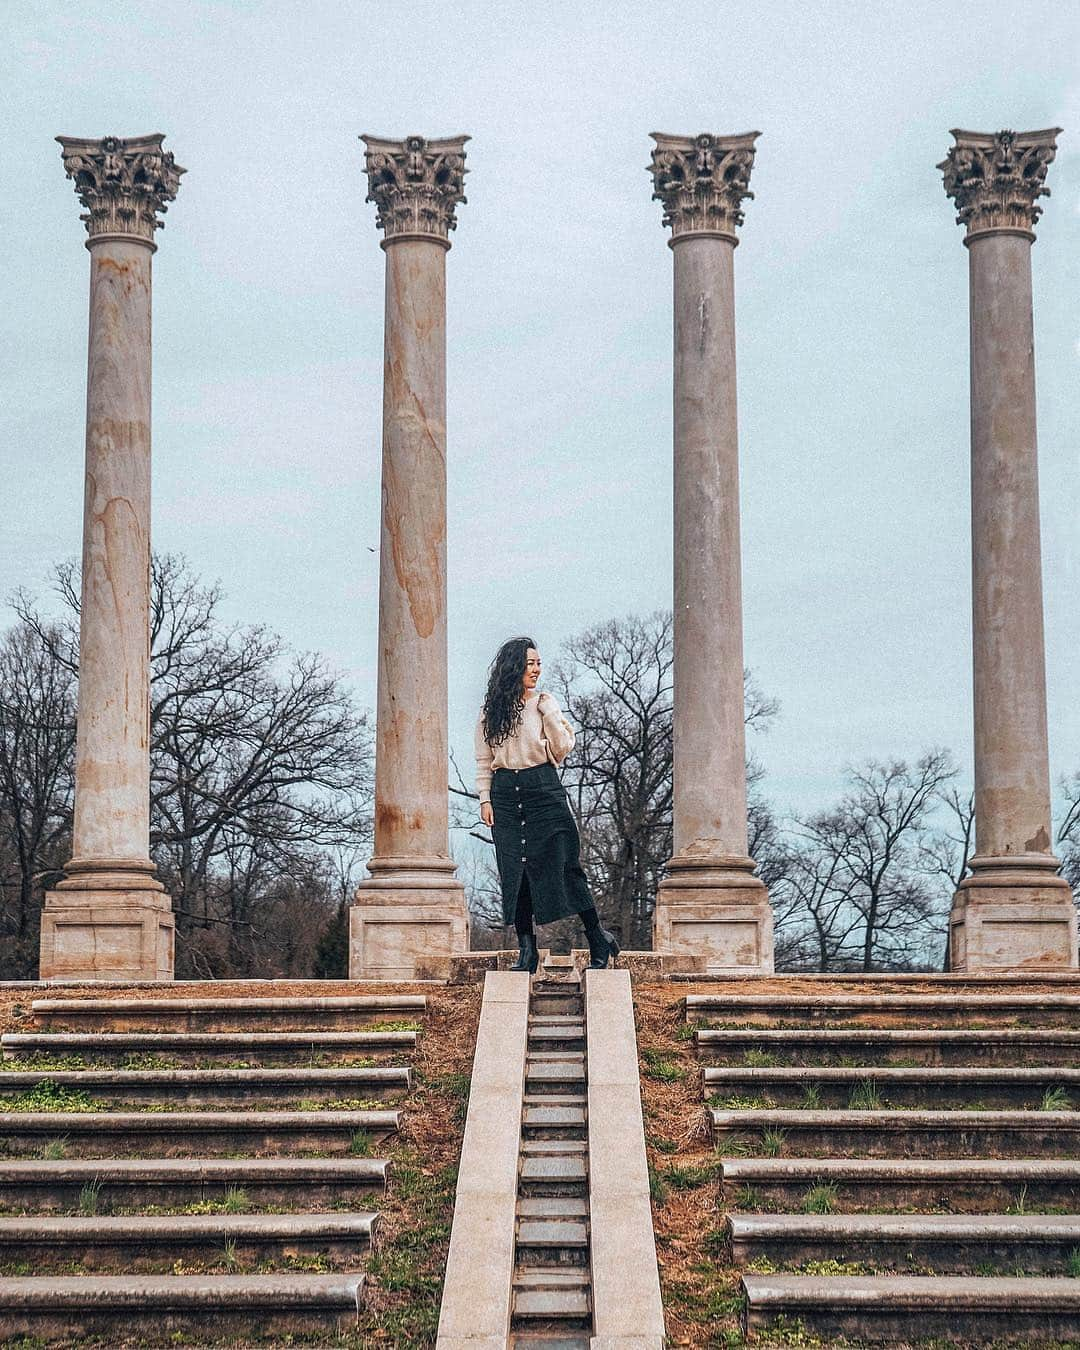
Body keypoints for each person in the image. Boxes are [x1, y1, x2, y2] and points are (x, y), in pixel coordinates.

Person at [474, 635, 619, 974]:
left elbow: (563, 746)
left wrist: (549, 711)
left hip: (543, 789)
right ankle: (527, 950)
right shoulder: (490, 713)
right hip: (506, 794)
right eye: (530, 663)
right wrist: (485, 800)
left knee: (566, 865)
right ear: (514, 667)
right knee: (515, 873)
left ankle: (598, 937)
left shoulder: (544, 703)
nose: (537, 669)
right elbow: (483, 761)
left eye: (539, 663)